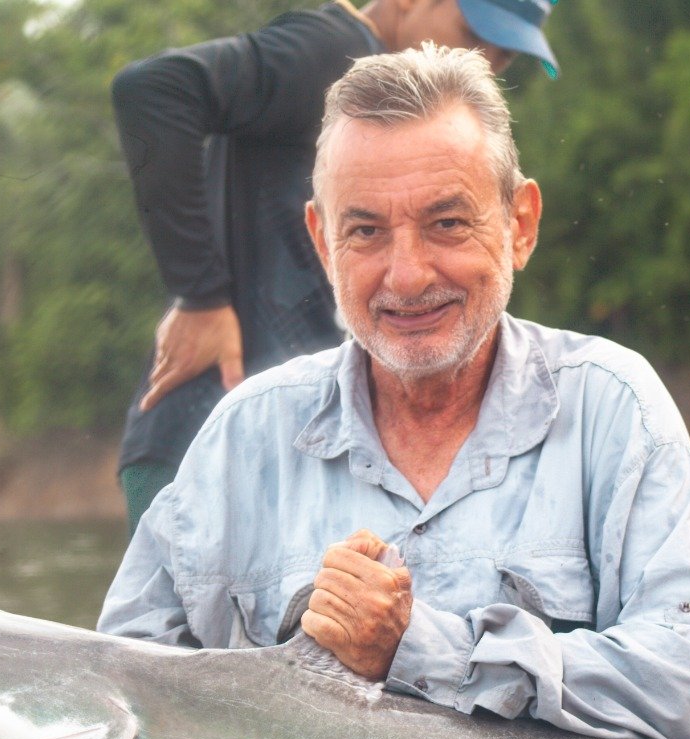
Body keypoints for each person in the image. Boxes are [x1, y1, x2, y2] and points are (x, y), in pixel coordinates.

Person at [99, 45, 690, 739]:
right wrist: (291, 663)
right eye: (366, 231)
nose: (406, 274)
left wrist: (427, 648)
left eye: (447, 222)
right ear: (321, 242)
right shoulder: (244, 434)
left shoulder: (611, 408)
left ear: (519, 222)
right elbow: (125, 688)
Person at [111, 0, 560, 534]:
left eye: (503, 55)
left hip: (296, 448)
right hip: (200, 437)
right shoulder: (329, 50)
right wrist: (199, 297)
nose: (481, 61)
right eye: (475, 34)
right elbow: (155, 88)